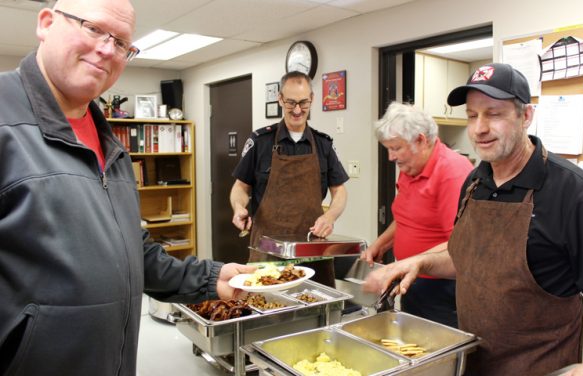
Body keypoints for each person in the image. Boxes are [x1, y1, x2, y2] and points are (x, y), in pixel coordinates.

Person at [0, 1, 255, 374]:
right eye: (92, 28)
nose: (107, 49)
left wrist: (212, 278)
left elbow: (132, 250)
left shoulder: (111, 145)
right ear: (46, 23)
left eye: (121, 43)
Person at [364, 63, 583, 376]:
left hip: (540, 366)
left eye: (494, 113)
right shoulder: (476, 182)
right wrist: (418, 263)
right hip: (474, 358)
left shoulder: (576, 192)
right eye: (473, 115)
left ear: (525, 116)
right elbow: (466, 256)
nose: (479, 128)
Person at [362, 102, 472, 327]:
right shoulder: (410, 167)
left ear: (421, 140)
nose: (391, 157)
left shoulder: (452, 172)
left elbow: (461, 245)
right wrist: (380, 244)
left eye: (396, 148)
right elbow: (406, 219)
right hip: (414, 279)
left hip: (443, 289)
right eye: (388, 149)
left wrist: (401, 266)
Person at [230, 71, 349, 265]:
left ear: (312, 99)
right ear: (280, 99)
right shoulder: (260, 141)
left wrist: (330, 216)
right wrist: (238, 207)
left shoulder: (323, 144)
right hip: (267, 248)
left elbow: (340, 191)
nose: (297, 110)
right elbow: (240, 187)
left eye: (303, 103)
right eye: (290, 102)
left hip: (311, 248)